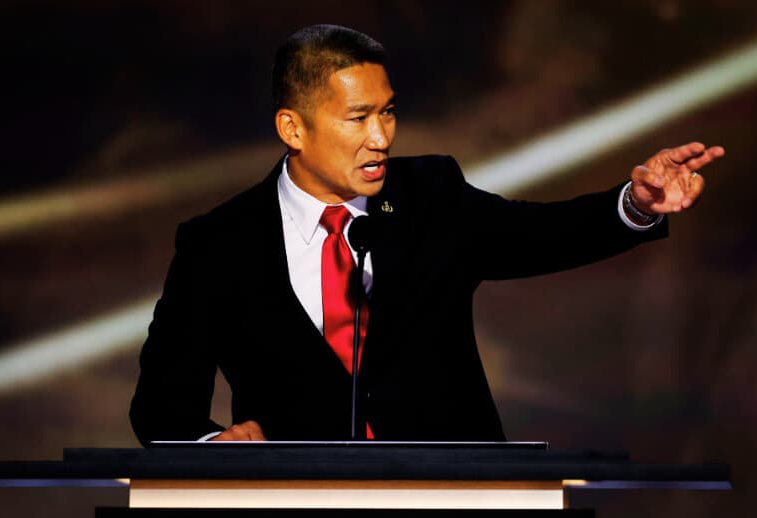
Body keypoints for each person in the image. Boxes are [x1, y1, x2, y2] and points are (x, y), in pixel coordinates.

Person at [129, 24, 724, 445]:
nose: (381, 137)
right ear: (293, 127)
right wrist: (214, 445)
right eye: (358, 118)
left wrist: (635, 204)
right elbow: (160, 404)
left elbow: (539, 233)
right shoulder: (218, 244)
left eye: (387, 112)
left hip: (455, 514)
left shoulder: (430, 196)